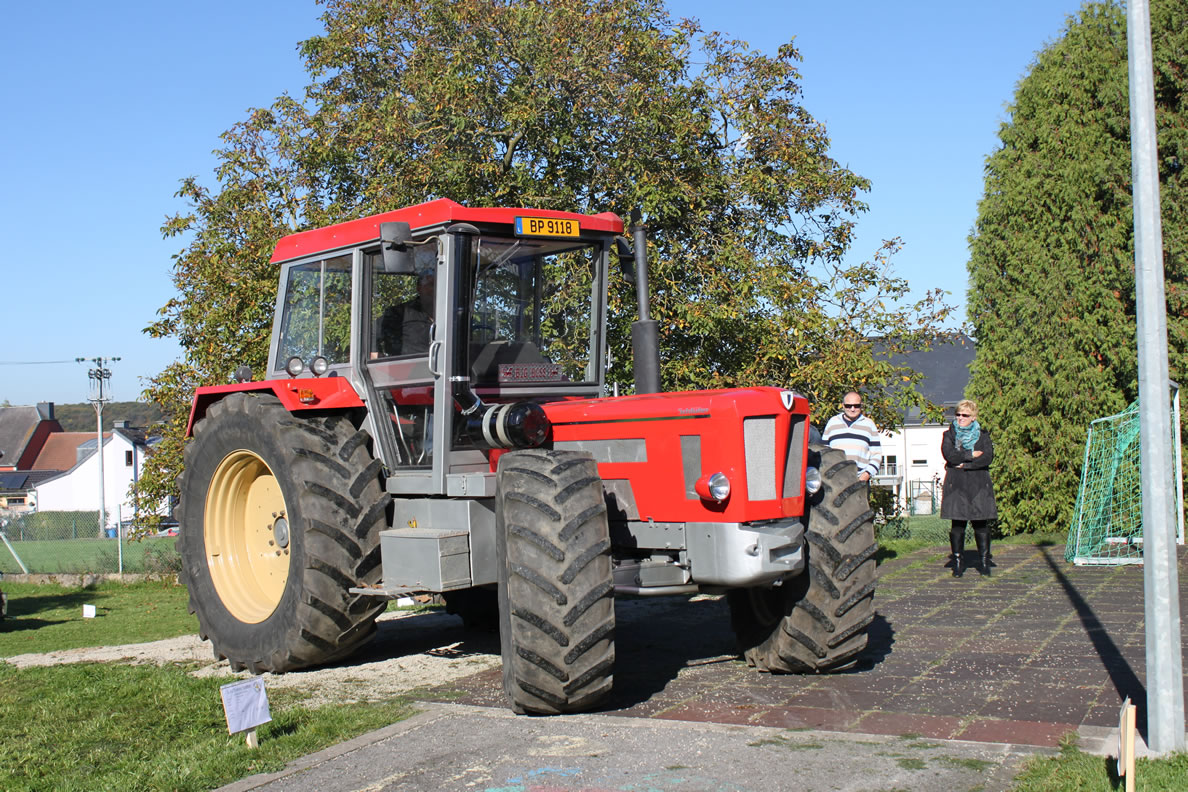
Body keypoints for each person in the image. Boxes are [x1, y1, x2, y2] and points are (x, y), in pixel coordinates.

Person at [941, 399, 997, 577]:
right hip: (956, 485)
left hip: (979, 484)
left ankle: (984, 562)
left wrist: (965, 465)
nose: (960, 418)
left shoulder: (983, 435)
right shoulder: (949, 435)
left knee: (981, 524)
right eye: (958, 414)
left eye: (965, 415)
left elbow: (987, 458)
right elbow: (949, 455)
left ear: (973, 417)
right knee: (958, 524)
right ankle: (958, 563)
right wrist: (970, 454)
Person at [379, 251, 436, 356]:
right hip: (405, 369)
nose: (434, 290)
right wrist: (376, 360)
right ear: (419, 288)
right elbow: (372, 334)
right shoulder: (400, 312)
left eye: (437, 285)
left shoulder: (448, 315)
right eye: (430, 285)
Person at [821, 391, 882, 482]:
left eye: (856, 406)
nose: (852, 409)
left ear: (861, 405)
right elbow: (824, 451)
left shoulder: (869, 424)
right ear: (843, 405)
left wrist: (866, 474)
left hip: (859, 479)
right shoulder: (832, 422)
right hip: (834, 479)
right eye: (848, 406)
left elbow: (877, 455)